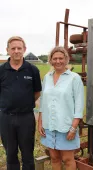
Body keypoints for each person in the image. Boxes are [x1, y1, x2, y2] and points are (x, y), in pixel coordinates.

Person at [38, 46, 84, 170]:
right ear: (51, 61)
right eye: (55, 59)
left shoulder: (74, 78)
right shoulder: (47, 77)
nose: (58, 61)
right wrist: (40, 122)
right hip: (49, 125)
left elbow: (79, 105)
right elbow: (43, 101)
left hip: (66, 126)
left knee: (68, 159)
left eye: (61, 58)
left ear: (66, 59)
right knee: (54, 158)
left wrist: (74, 127)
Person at [0, 36, 42, 170]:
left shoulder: (32, 70)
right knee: (11, 154)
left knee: (27, 154)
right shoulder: (1, 70)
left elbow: (37, 93)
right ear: (7, 50)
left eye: (19, 48)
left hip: (26, 118)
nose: (16, 51)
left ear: (24, 49)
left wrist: (24, 103)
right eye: (13, 48)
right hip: (6, 118)